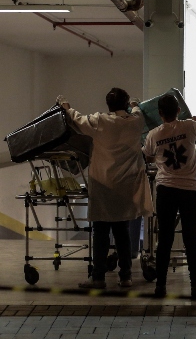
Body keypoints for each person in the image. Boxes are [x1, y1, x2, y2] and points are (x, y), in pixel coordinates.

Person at [57, 88, 152, 289]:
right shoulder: (135, 121)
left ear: (108, 105)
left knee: (100, 232)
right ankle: (125, 276)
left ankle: (98, 277)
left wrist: (65, 106)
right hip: (126, 186)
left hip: (103, 184)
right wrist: (134, 104)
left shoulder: (99, 121)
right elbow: (138, 110)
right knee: (122, 232)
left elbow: (76, 119)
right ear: (125, 104)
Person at [142, 94, 196, 299]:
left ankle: (160, 286)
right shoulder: (190, 126)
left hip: (165, 190)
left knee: (165, 239)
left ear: (160, 114)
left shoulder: (154, 134)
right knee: (191, 239)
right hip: (189, 190)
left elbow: (147, 155)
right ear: (179, 110)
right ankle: (195, 287)